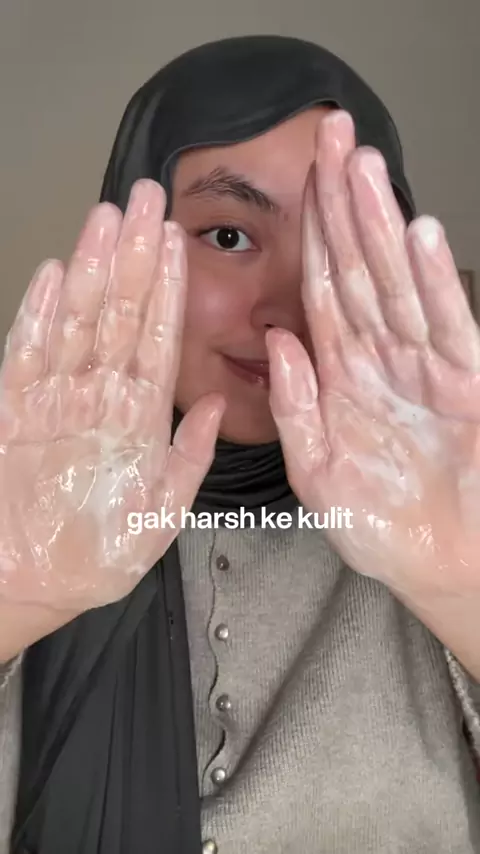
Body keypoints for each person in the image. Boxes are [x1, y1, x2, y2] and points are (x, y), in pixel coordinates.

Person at [0, 33, 479, 854]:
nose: (283, 308)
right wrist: (15, 596)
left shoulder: (455, 508)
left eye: (334, 248)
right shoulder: (28, 503)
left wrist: (462, 588)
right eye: (228, 236)